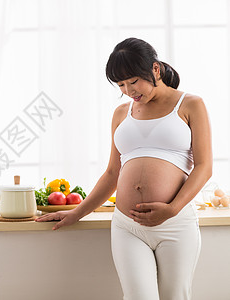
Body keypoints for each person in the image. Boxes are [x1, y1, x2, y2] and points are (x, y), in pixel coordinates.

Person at [35, 37, 212, 300]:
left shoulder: (190, 104)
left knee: (176, 296)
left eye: (133, 81)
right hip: (127, 227)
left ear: (155, 69)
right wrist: (76, 213)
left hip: (175, 224)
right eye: (120, 85)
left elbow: (204, 167)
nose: (129, 90)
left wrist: (172, 209)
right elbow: (112, 174)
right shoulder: (121, 113)